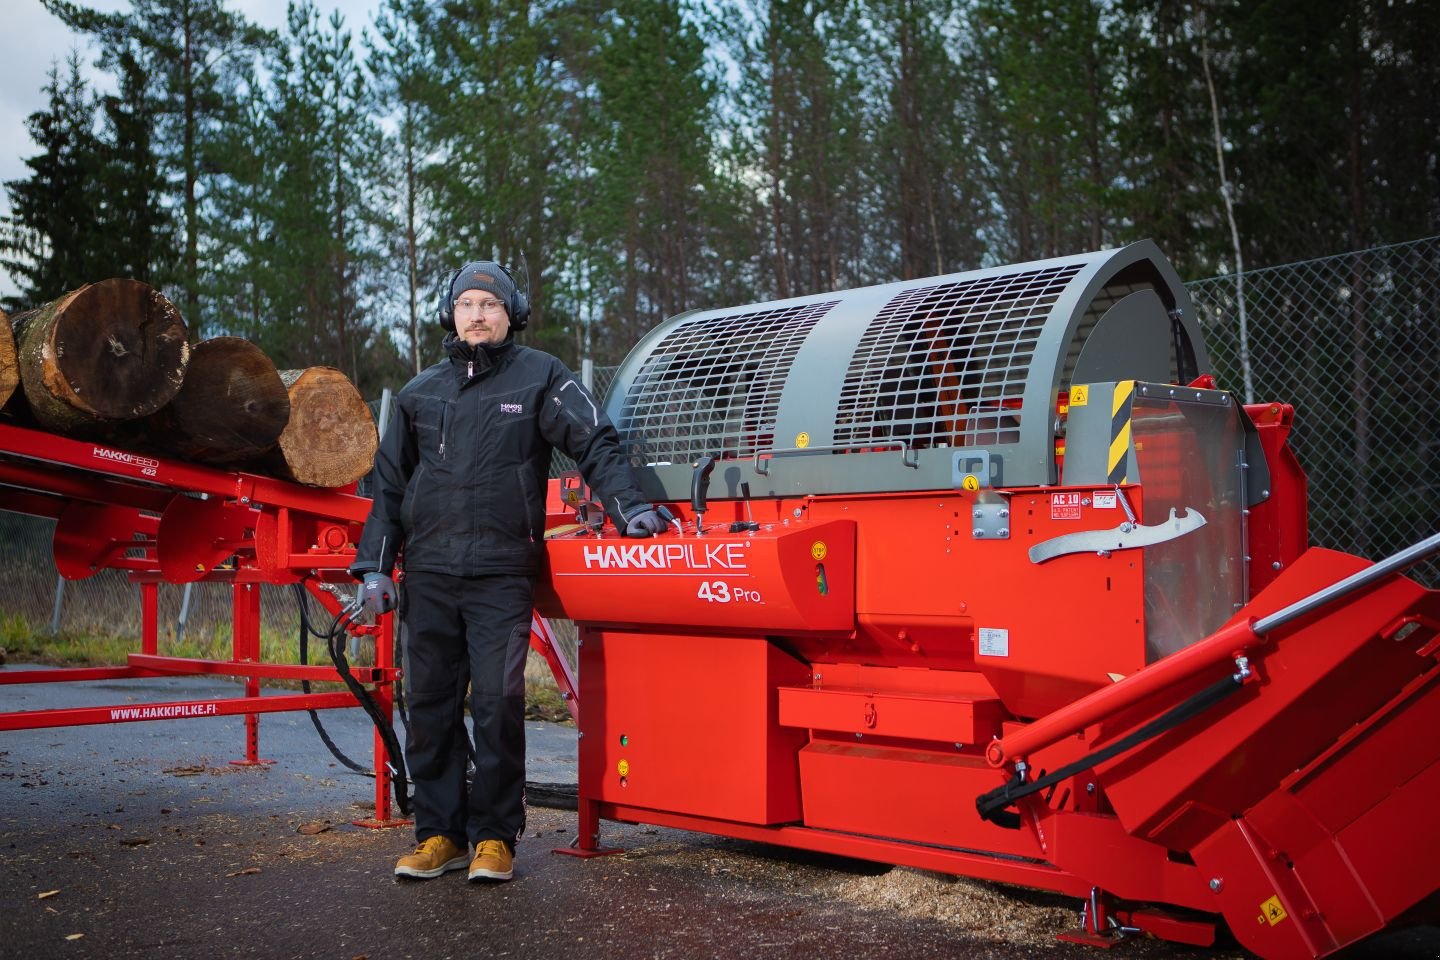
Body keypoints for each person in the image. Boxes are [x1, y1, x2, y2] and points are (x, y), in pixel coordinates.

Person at [349, 259, 665, 883]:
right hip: (430, 574)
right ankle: (439, 834)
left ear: (510, 314)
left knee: (497, 704)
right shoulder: (419, 394)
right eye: (465, 304)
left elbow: (595, 441)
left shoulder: (543, 376)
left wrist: (629, 506)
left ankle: (495, 837)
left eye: (489, 305)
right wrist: (375, 570)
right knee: (432, 704)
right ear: (451, 315)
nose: (477, 314)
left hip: (500, 573)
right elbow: (386, 488)